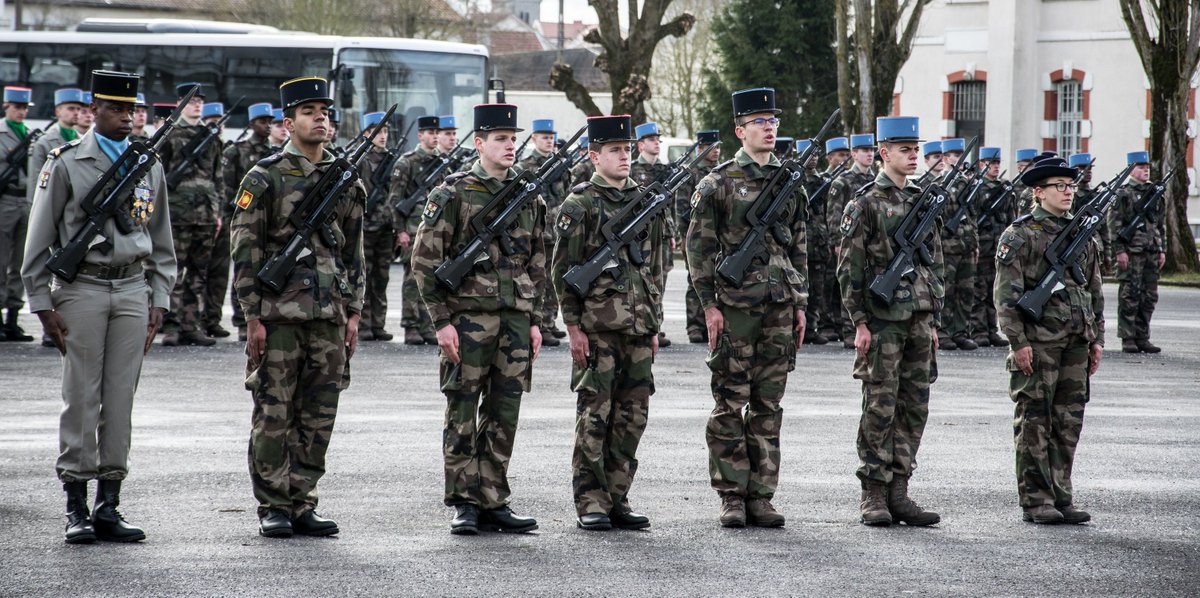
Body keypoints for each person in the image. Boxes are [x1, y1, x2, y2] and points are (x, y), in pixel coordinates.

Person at [22, 70, 177, 543]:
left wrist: (160, 297)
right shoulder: (66, 161)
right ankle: (77, 507)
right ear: (94, 110)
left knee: (121, 397)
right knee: (82, 397)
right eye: (116, 109)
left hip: (132, 288)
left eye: (131, 110)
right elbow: (40, 236)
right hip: (83, 289)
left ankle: (110, 504)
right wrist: (41, 301)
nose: (126, 117)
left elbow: (161, 238)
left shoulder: (147, 164)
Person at [230, 76, 365, 538]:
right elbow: (245, 251)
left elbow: (354, 253)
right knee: (273, 412)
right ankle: (273, 504)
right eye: (309, 112)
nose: (320, 119)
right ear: (288, 123)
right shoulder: (264, 176)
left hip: (328, 315)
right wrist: (252, 316)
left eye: (324, 112)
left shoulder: (345, 177)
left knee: (318, 413)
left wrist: (354, 311)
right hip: (279, 315)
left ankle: (303, 500)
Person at [411, 102, 545, 536]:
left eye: (512, 139)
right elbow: (425, 261)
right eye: (501, 139)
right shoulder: (451, 193)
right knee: (463, 408)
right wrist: (440, 321)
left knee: (505, 411)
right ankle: (464, 500)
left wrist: (537, 320)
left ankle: (494, 498)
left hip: (515, 321)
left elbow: (539, 263)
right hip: (467, 319)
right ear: (479, 143)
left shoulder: (529, 196)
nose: (509, 146)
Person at [687, 87, 808, 528]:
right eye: (760, 122)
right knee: (729, 402)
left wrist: (800, 303)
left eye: (773, 121)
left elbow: (799, 249)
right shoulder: (716, 182)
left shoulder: (790, 181)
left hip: (779, 306)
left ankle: (761, 495)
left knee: (768, 404)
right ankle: (731, 495)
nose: (769, 127)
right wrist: (708, 306)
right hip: (734, 307)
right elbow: (697, 249)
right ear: (740, 131)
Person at [552, 113, 664, 531]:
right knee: (595, 417)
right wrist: (574, 327)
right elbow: (562, 270)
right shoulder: (580, 204)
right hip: (598, 329)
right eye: (615, 150)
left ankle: (618, 496)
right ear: (593, 156)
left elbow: (654, 270)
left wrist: (653, 325)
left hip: (638, 328)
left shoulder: (646, 201)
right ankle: (591, 501)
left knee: (632, 417)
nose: (625, 157)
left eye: (628, 150)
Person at [837, 115, 942, 528]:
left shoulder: (922, 201)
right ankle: (874, 494)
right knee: (879, 408)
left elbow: (934, 263)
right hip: (882, 322)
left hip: (917, 319)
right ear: (884, 153)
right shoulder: (863, 204)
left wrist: (933, 319)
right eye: (904, 149)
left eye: (916, 149)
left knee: (914, 406)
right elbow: (850, 269)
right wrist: (859, 321)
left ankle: (900, 491)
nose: (913, 155)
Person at [993, 153, 1103, 524]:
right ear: (1038, 192)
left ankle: (1062, 494)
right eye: (1060, 186)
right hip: (1039, 342)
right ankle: (1036, 499)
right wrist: (1017, 342)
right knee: (1035, 421)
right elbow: (1006, 297)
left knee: (1068, 420)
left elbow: (1094, 289)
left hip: (1076, 339)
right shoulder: (1020, 234)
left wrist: (1097, 338)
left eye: (1071, 186)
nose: (1068, 192)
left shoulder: (1082, 232)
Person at [159, 83, 223, 347]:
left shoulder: (212, 137)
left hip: (205, 214)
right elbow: (159, 176)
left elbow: (217, 177)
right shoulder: (170, 135)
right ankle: (171, 325)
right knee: (174, 272)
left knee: (199, 273)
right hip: (177, 213)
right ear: (180, 104)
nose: (197, 105)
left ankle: (190, 325)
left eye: (200, 102)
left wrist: (218, 212)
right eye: (192, 101)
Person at [220, 102, 274, 342]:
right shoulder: (236, 151)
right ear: (252, 124)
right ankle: (243, 322)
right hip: (242, 216)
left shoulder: (276, 152)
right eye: (263, 122)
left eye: (270, 122)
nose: (268, 126)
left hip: (269, 219)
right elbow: (228, 187)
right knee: (244, 269)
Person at [389, 115, 443, 346]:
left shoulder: (441, 163)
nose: (434, 137)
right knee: (412, 279)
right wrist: (400, 230)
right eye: (430, 133)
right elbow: (395, 200)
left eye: (436, 133)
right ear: (420, 135)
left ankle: (427, 325)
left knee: (431, 279)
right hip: (412, 229)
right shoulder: (406, 162)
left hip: (434, 230)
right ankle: (410, 325)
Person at [519, 118, 570, 347]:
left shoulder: (561, 166)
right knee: (540, 279)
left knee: (555, 278)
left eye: (551, 138)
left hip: (557, 231)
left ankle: (550, 321)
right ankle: (539, 324)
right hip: (538, 231)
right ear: (534, 139)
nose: (549, 141)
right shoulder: (526, 167)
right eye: (544, 137)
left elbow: (566, 196)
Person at [1109, 151, 1166, 353]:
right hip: (1132, 252)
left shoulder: (1153, 192)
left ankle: (1143, 336)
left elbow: (1160, 224)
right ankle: (1128, 337)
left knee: (1149, 296)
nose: (1145, 171)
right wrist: (1119, 251)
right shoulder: (1123, 194)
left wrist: (1162, 249)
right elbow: (1114, 226)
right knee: (1129, 295)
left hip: (1151, 250)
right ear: (1132, 169)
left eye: (1147, 167)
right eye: (1141, 167)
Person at [826, 133, 876, 348]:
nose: (870, 155)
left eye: (872, 151)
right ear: (854, 154)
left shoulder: (875, 181)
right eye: (865, 151)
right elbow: (834, 214)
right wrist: (838, 242)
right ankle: (848, 329)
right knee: (850, 282)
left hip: (870, 241)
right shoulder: (843, 181)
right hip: (850, 241)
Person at [631, 121, 675, 348]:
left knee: (660, 280)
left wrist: (673, 231)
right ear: (640, 145)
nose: (656, 143)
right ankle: (639, 322)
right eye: (651, 140)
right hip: (640, 234)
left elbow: (671, 205)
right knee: (640, 279)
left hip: (663, 233)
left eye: (658, 140)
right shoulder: (631, 170)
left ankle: (656, 325)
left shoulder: (666, 170)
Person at [674, 129, 720, 344]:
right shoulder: (691, 172)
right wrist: (684, 236)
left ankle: (712, 322)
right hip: (695, 234)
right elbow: (682, 206)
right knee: (695, 281)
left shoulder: (721, 171)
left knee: (716, 280)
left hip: (716, 235)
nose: (717, 151)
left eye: (719, 147)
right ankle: (694, 326)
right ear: (701, 148)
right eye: (712, 147)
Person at [356, 111, 399, 341]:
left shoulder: (392, 159)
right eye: (377, 131)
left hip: (385, 226)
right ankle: (363, 324)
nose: (382, 136)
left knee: (381, 277)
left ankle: (378, 324)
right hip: (366, 226)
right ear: (366, 134)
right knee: (365, 275)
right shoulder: (361, 161)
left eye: (385, 131)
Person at [936, 137, 979, 351]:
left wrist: (976, 244)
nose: (960, 160)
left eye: (961, 156)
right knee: (948, 289)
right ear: (945, 158)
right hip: (948, 247)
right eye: (955, 155)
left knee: (966, 290)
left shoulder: (967, 184)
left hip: (967, 246)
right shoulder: (939, 185)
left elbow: (973, 217)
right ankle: (944, 331)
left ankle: (961, 331)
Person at [0, 86, 35, 342]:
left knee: (20, 262)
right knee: (1, 260)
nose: (21, 112)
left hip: (25, 201)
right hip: (5, 200)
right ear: (6, 107)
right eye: (17, 107)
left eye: (24, 108)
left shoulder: (30, 135)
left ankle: (13, 317)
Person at [969, 147, 1010, 348]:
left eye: (997, 164)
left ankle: (991, 330)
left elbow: (1010, 219)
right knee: (979, 290)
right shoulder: (976, 188)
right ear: (982, 165)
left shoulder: (1003, 189)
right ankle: (978, 331)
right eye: (991, 163)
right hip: (983, 246)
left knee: (995, 290)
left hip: (998, 246)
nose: (995, 167)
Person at [796, 138, 830, 345]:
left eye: (816, 155)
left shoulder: (823, 182)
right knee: (799, 286)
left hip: (817, 241)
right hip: (801, 241)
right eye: (809, 154)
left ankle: (812, 326)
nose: (814, 158)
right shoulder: (795, 181)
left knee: (817, 288)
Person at [1068, 153, 1111, 275]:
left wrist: (1108, 253)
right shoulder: (1069, 195)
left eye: (1090, 168)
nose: (1088, 172)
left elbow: (1104, 227)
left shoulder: (1097, 194)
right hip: (1076, 249)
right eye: (1083, 168)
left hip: (1096, 247)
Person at [1013, 148, 1038, 215]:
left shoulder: (1038, 184)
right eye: (1030, 165)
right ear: (1019, 168)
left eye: (1035, 165)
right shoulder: (1013, 187)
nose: (1033, 168)